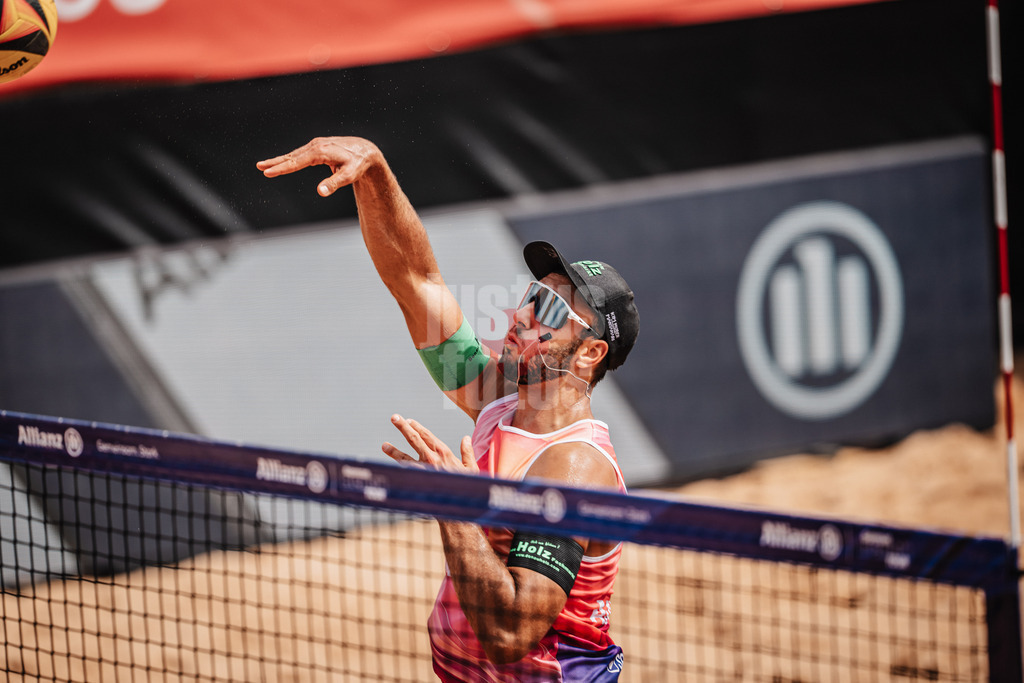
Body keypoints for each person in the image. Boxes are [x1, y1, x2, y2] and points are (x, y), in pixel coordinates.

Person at [257, 136, 640, 682]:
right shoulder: (496, 402)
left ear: (590, 353)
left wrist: (458, 508)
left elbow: (510, 635)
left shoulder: (574, 468)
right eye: (533, 294)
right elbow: (417, 282)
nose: (523, 313)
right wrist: (375, 172)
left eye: (551, 308)